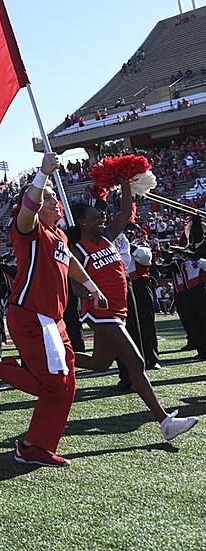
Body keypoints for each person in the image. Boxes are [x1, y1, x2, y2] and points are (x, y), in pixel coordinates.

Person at [0, 152, 109, 468]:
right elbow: (28, 207)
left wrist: (92, 287)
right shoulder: (27, 229)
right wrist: (42, 174)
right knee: (54, 385)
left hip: (54, 320)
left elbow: (70, 262)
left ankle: (35, 446)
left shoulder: (58, 234)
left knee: (68, 384)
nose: (56, 202)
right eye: (50, 199)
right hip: (32, 315)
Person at [68, 182, 197, 441]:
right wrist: (92, 294)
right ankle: (164, 422)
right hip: (99, 313)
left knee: (99, 363)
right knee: (136, 362)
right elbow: (75, 285)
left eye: (103, 215)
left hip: (119, 309)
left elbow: (126, 211)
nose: (103, 218)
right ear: (82, 222)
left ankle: (51, 358)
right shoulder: (79, 250)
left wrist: (124, 179)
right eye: (96, 217)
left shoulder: (106, 237)